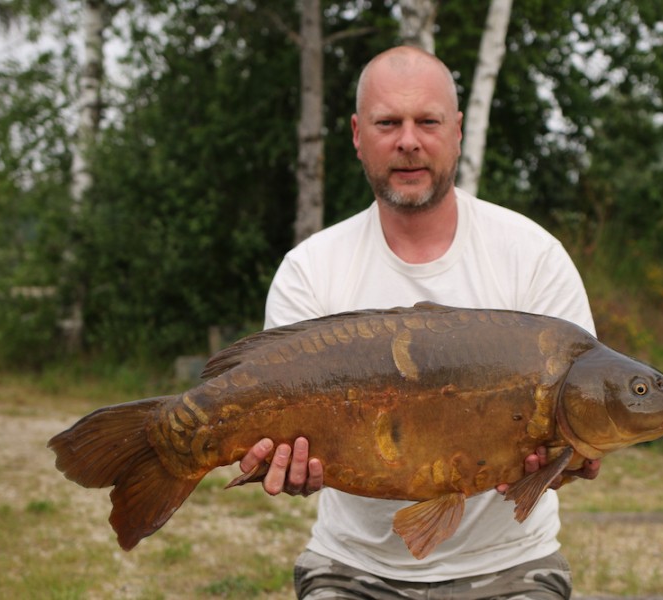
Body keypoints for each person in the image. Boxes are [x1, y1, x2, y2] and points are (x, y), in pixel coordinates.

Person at [239, 46, 600, 599]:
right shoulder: (311, 269)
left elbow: (581, 428)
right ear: (358, 135)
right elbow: (275, 431)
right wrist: (284, 465)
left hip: (511, 566)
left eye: (427, 121)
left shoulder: (532, 256)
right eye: (389, 122)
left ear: (456, 130)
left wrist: (569, 460)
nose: (409, 140)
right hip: (350, 566)